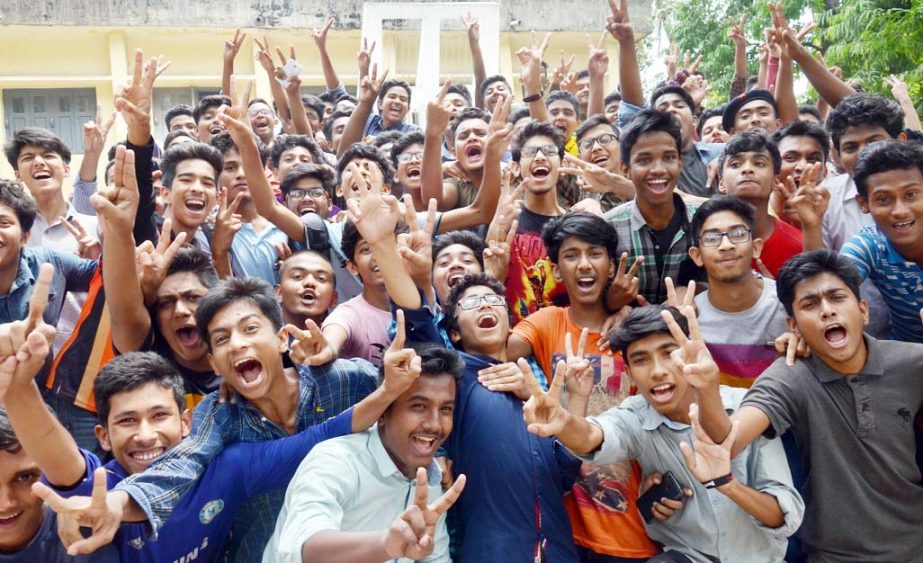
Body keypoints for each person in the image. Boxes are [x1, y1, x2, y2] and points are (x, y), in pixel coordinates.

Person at [347, 184, 580, 562]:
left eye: (493, 301)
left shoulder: (534, 382)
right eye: (472, 303)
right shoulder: (455, 374)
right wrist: (383, 245)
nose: (486, 305)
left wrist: (558, 399)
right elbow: (418, 319)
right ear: (454, 331)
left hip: (558, 549)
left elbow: (565, 474)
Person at [522, 305, 804, 563]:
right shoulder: (635, 416)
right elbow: (591, 437)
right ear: (630, 374)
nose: (657, 371)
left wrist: (727, 483)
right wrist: (564, 420)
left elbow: (782, 516)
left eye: (669, 354)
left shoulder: (747, 409)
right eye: (641, 360)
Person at [691, 250, 923, 561]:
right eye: (810, 304)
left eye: (837, 298)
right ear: (793, 325)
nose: (827, 311)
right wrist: (707, 387)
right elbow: (727, 442)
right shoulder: (790, 377)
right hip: (834, 555)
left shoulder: (912, 363)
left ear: (863, 310)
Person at [507, 212, 657, 561]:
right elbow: (492, 348)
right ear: (557, 270)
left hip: (633, 527)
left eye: (595, 253)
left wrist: (625, 311)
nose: (584, 264)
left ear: (610, 264)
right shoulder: (546, 322)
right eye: (571, 255)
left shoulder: (638, 330)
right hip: (566, 529)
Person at [264, 344, 467, 563]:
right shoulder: (335, 461)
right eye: (419, 406)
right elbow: (305, 548)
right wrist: (385, 544)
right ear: (382, 413)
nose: (434, 424)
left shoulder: (431, 481)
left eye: (445, 410)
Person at [802, 140, 923, 343]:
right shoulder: (870, 246)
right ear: (863, 204)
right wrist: (812, 225)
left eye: (911, 195)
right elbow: (824, 286)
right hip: (907, 358)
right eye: (884, 199)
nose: (900, 210)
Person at [688, 196, 788, 387]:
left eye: (738, 234)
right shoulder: (690, 318)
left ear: (756, 247)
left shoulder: (788, 304)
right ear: (697, 255)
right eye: (711, 238)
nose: (726, 245)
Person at [604, 110, 701, 306]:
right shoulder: (608, 228)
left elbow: (719, 280)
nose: (658, 169)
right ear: (625, 169)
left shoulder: (702, 222)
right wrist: (611, 301)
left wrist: (697, 291)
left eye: (668, 158)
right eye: (644, 160)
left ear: (680, 162)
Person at [718, 131, 802, 278]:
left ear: (776, 181)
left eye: (759, 163)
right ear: (721, 182)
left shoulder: (797, 245)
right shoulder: (703, 238)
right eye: (736, 164)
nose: (747, 169)